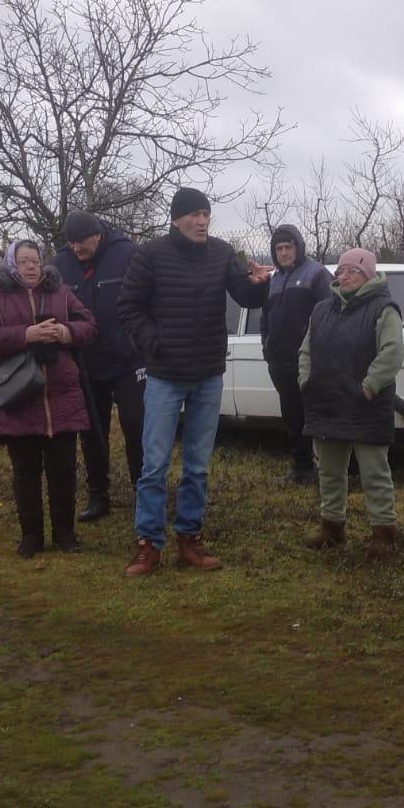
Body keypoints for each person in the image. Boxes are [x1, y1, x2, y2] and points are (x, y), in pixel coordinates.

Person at [117, 188, 272, 576]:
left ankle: (190, 539)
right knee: (153, 466)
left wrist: (258, 284)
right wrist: (155, 343)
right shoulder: (149, 256)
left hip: (207, 373)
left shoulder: (221, 253)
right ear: (176, 219)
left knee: (197, 466)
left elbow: (245, 296)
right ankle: (148, 544)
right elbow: (128, 308)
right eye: (194, 215)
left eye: (206, 214)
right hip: (165, 377)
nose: (202, 221)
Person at [0, 240, 98, 559]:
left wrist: (65, 333)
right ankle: (31, 537)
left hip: (61, 395)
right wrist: (26, 335)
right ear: (11, 264)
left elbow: (89, 325)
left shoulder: (60, 292)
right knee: (25, 472)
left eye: (35, 261)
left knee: (63, 470)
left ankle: (65, 534)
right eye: (23, 261)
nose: (30, 267)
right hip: (19, 397)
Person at [300, 248, 404, 558]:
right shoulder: (321, 309)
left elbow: (392, 353)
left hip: (365, 404)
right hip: (326, 402)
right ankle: (332, 529)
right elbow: (306, 350)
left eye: (352, 271)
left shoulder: (384, 309)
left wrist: (369, 387)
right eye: (341, 270)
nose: (343, 276)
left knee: (374, 472)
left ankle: (383, 533)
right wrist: (305, 381)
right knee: (329, 471)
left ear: (368, 276)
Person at [51, 211, 144, 523]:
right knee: (92, 430)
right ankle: (98, 495)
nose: (76, 249)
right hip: (86, 361)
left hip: (128, 359)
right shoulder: (61, 262)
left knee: (136, 424)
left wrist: (139, 339)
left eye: (81, 242)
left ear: (97, 235)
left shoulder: (126, 252)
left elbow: (146, 298)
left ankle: (143, 492)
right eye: (71, 243)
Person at [261, 224, 332, 484]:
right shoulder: (274, 279)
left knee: (315, 416)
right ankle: (301, 468)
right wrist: (266, 347)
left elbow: (329, 315)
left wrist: (319, 354)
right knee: (292, 417)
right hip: (280, 362)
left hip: (309, 362)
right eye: (278, 248)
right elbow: (265, 318)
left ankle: (328, 473)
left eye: (288, 247)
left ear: (298, 247)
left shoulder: (316, 274)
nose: (283, 253)